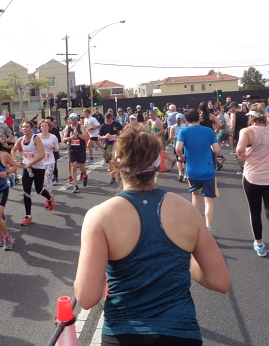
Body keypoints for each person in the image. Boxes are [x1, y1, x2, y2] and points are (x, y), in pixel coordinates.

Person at [74, 128, 230, 345]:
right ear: (158, 164)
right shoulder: (187, 211)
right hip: (180, 334)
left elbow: (86, 297)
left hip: (123, 333)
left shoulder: (99, 216)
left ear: (116, 165)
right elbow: (220, 281)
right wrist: (177, 257)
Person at [236, 104, 269, 276]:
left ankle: (259, 245)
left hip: (253, 177)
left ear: (250, 116)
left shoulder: (246, 131)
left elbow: (239, 150)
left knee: (255, 212)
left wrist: (245, 155)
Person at [176, 109, 221, 234]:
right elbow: (217, 150)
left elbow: (178, 148)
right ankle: (209, 227)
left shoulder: (183, 131)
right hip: (208, 168)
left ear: (186, 120)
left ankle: (197, 224)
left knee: (195, 195)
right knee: (209, 199)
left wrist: (181, 157)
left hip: (192, 169)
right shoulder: (208, 131)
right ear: (199, 118)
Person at [11, 120, 54, 226]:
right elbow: (13, 150)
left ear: (32, 129)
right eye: (23, 127)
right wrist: (15, 161)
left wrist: (30, 163)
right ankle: (28, 216)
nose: (24, 128)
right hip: (27, 168)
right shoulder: (20, 139)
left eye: (27, 127)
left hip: (38, 167)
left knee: (39, 190)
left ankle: (50, 198)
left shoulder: (36, 138)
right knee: (26, 192)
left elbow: (42, 154)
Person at [63, 113, 89, 194]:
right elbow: (64, 139)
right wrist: (71, 137)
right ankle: (75, 186)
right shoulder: (68, 128)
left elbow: (85, 137)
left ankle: (85, 175)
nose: (73, 119)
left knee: (82, 168)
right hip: (72, 149)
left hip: (80, 149)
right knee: (74, 167)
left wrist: (78, 134)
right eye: (71, 118)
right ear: (69, 120)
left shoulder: (81, 127)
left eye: (74, 118)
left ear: (77, 119)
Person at [99, 112, 122, 184]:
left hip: (117, 143)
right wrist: (105, 137)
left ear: (112, 118)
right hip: (108, 144)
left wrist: (118, 136)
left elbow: (123, 131)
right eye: (107, 121)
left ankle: (119, 174)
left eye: (109, 121)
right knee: (109, 161)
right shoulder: (103, 126)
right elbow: (99, 137)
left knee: (118, 160)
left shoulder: (116, 124)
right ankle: (112, 177)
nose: (108, 122)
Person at [228, 102, 247, 175]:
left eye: (230, 107)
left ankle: (242, 169)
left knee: (239, 153)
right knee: (247, 151)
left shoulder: (234, 114)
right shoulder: (245, 114)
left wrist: (230, 134)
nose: (230, 109)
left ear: (233, 107)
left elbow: (232, 125)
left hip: (237, 134)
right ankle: (248, 167)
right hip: (246, 134)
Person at [169, 112, 187, 183]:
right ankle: (185, 175)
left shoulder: (173, 126)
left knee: (178, 159)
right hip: (185, 145)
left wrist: (173, 142)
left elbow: (171, 137)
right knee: (185, 160)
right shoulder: (186, 125)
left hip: (176, 144)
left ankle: (180, 173)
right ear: (183, 119)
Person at [46, 116, 62, 185]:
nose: (47, 123)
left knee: (54, 165)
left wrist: (54, 147)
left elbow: (59, 141)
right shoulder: (43, 131)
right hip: (45, 152)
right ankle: (47, 178)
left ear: (52, 122)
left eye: (49, 122)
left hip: (53, 151)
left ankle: (56, 178)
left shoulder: (55, 131)